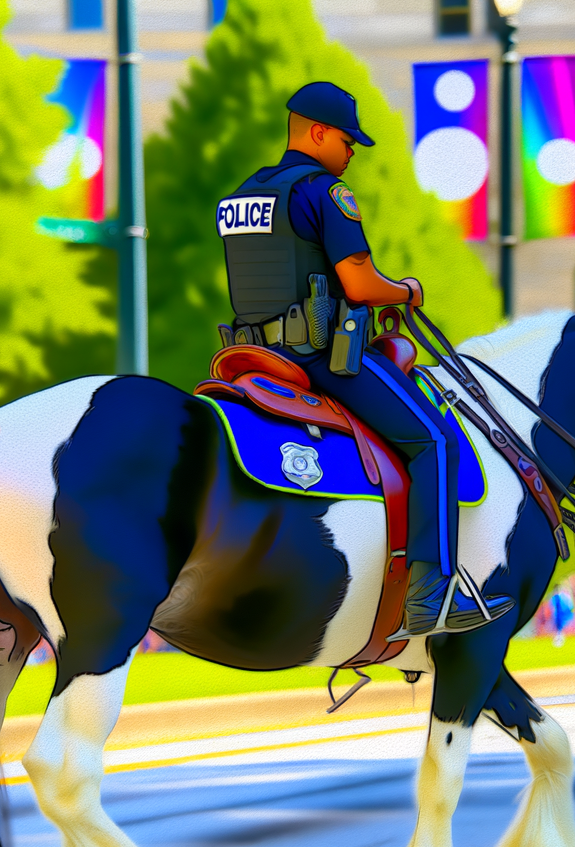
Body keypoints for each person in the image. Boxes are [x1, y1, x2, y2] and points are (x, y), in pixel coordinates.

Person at [215, 82, 513, 639]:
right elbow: (357, 280)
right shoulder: (323, 192)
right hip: (317, 355)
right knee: (436, 441)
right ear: (318, 132)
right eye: (347, 141)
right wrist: (406, 291)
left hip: (251, 352)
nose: (352, 152)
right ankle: (432, 593)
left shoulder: (238, 196)